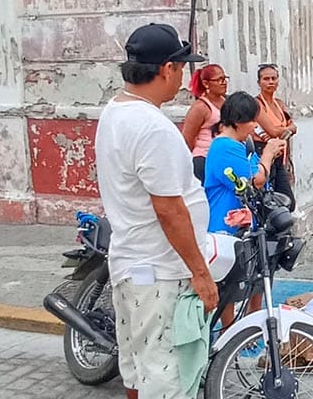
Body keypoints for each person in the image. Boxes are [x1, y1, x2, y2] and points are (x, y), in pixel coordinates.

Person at [94, 23, 218, 399]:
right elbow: (169, 210)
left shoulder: (114, 112)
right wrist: (201, 274)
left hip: (132, 266)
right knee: (167, 382)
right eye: (181, 68)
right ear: (166, 69)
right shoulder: (152, 128)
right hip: (160, 274)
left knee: (137, 374)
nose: (182, 77)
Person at [203, 91, 286, 329]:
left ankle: (249, 322)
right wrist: (268, 155)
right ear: (239, 121)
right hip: (225, 222)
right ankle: (230, 330)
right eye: (252, 121)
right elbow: (254, 180)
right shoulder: (224, 147)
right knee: (229, 280)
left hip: (244, 220)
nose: (254, 127)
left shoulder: (237, 145)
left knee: (256, 272)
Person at [253, 64, 297, 212]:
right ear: (259, 82)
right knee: (267, 199)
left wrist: (284, 130)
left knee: (287, 201)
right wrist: (286, 130)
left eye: (274, 78)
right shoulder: (257, 104)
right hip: (263, 154)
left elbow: (293, 126)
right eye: (266, 79)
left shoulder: (280, 104)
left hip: (280, 157)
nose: (270, 82)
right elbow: (272, 131)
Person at [181, 64, 228, 184]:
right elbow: (188, 138)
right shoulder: (200, 107)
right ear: (206, 83)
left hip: (223, 158)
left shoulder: (227, 102)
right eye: (219, 80)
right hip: (204, 159)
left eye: (225, 78)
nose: (224, 83)